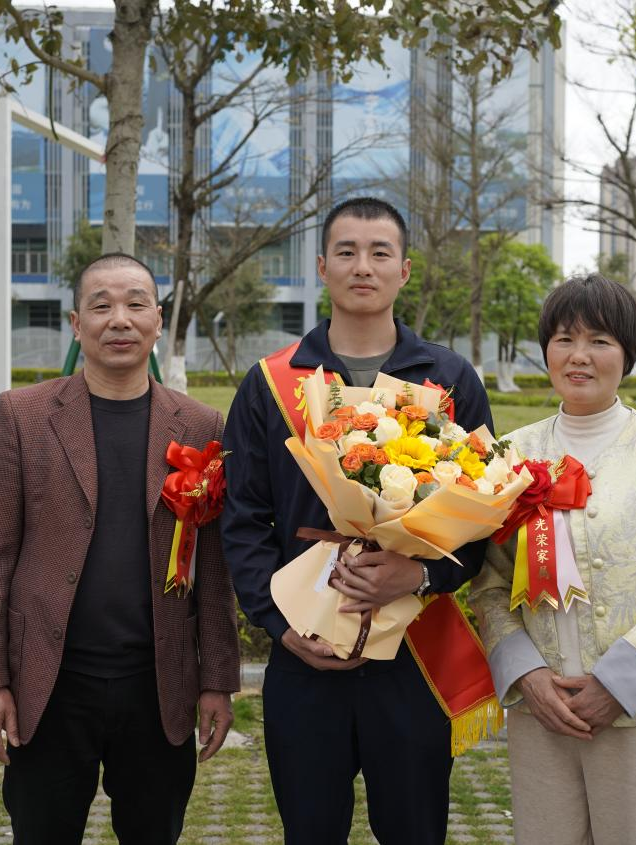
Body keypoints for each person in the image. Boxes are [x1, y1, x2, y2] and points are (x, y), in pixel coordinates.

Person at [221, 197, 493, 845]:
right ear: (322, 267)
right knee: (310, 830)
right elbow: (243, 518)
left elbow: (484, 516)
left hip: (414, 656)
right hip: (306, 652)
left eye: (379, 253)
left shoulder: (449, 379)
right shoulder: (272, 383)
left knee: (414, 830)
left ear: (405, 270)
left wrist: (420, 575)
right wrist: (280, 625)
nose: (362, 266)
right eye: (346, 252)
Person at [0, 253, 240, 845]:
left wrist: (217, 680)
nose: (120, 319)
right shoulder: (24, 415)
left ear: (158, 321)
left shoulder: (199, 426)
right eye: (101, 305)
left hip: (158, 685)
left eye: (136, 304)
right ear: (75, 323)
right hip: (50, 683)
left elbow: (214, 570)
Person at [468, 274, 636, 844]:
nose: (579, 356)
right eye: (564, 339)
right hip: (543, 717)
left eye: (599, 341)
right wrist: (528, 677)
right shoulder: (512, 454)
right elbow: (489, 583)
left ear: (627, 354)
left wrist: (618, 683)